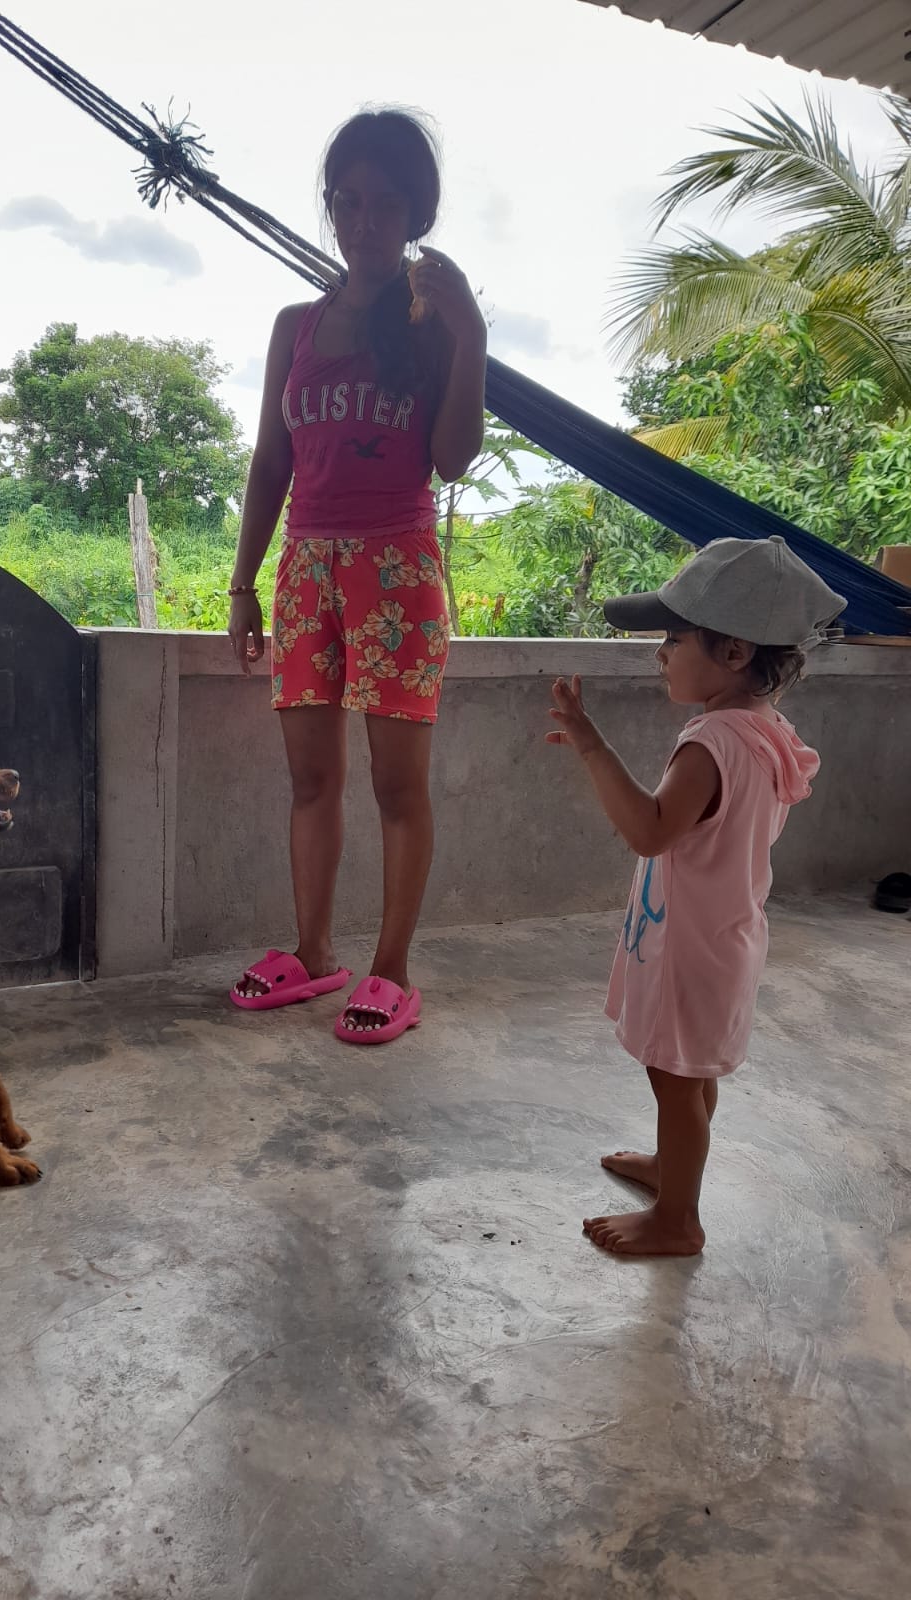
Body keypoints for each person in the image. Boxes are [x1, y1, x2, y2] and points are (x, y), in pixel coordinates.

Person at [226, 109, 486, 1044]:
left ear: (416, 215)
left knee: (397, 786)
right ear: (331, 209)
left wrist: (471, 336)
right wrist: (242, 584)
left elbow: (453, 458)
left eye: (386, 205)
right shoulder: (294, 327)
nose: (364, 222)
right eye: (348, 202)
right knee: (311, 779)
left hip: (396, 568)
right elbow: (271, 463)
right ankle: (313, 954)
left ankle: (391, 971)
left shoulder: (431, 328)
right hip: (305, 567)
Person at [547, 535, 844, 1255]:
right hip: (724, 935)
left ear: (735, 651)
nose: (661, 654)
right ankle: (672, 1167)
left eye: (674, 639)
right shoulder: (765, 730)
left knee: (674, 1078)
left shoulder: (712, 741)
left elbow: (650, 831)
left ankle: (678, 1219)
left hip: (690, 947)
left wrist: (591, 746)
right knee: (691, 1072)